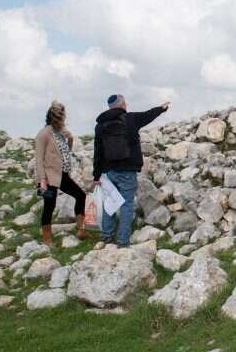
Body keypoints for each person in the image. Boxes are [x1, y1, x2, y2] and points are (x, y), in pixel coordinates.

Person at [93, 94, 169, 247]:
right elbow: (148, 115)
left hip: (109, 171)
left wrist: (96, 174)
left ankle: (107, 235)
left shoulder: (100, 125)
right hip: (127, 170)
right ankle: (122, 240)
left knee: (110, 202)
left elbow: (98, 151)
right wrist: (161, 109)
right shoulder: (130, 119)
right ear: (123, 105)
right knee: (126, 204)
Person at [34, 101, 88, 246]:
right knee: (49, 205)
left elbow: (66, 153)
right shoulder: (43, 134)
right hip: (48, 176)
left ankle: (81, 229)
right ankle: (47, 238)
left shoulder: (60, 133)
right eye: (61, 118)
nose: (63, 121)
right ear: (53, 118)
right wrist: (43, 181)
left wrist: (69, 139)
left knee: (80, 195)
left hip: (62, 174)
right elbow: (38, 159)